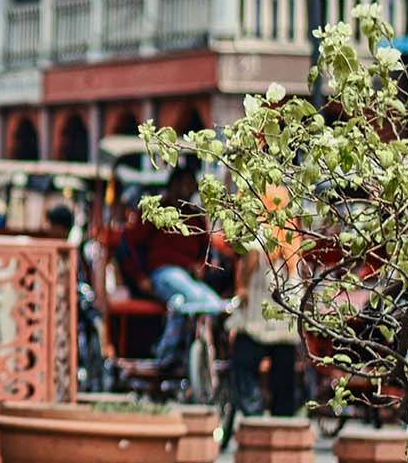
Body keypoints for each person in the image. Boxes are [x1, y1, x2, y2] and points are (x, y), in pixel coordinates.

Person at [120, 167, 223, 371]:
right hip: (163, 273)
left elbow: (206, 251)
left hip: (188, 278)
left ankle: (168, 356)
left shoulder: (196, 217)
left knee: (180, 304)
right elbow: (128, 245)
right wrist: (139, 277)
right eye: (184, 184)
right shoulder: (156, 211)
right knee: (208, 303)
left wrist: (201, 267)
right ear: (173, 185)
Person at [230, 186, 303, 416]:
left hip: (261, 310)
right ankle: (283, 423)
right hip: (286, 311)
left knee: (244, 359)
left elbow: (252, 256)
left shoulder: (261, 227)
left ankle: (252, 412)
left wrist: (241, 287)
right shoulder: (290, 229)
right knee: (283, 376)